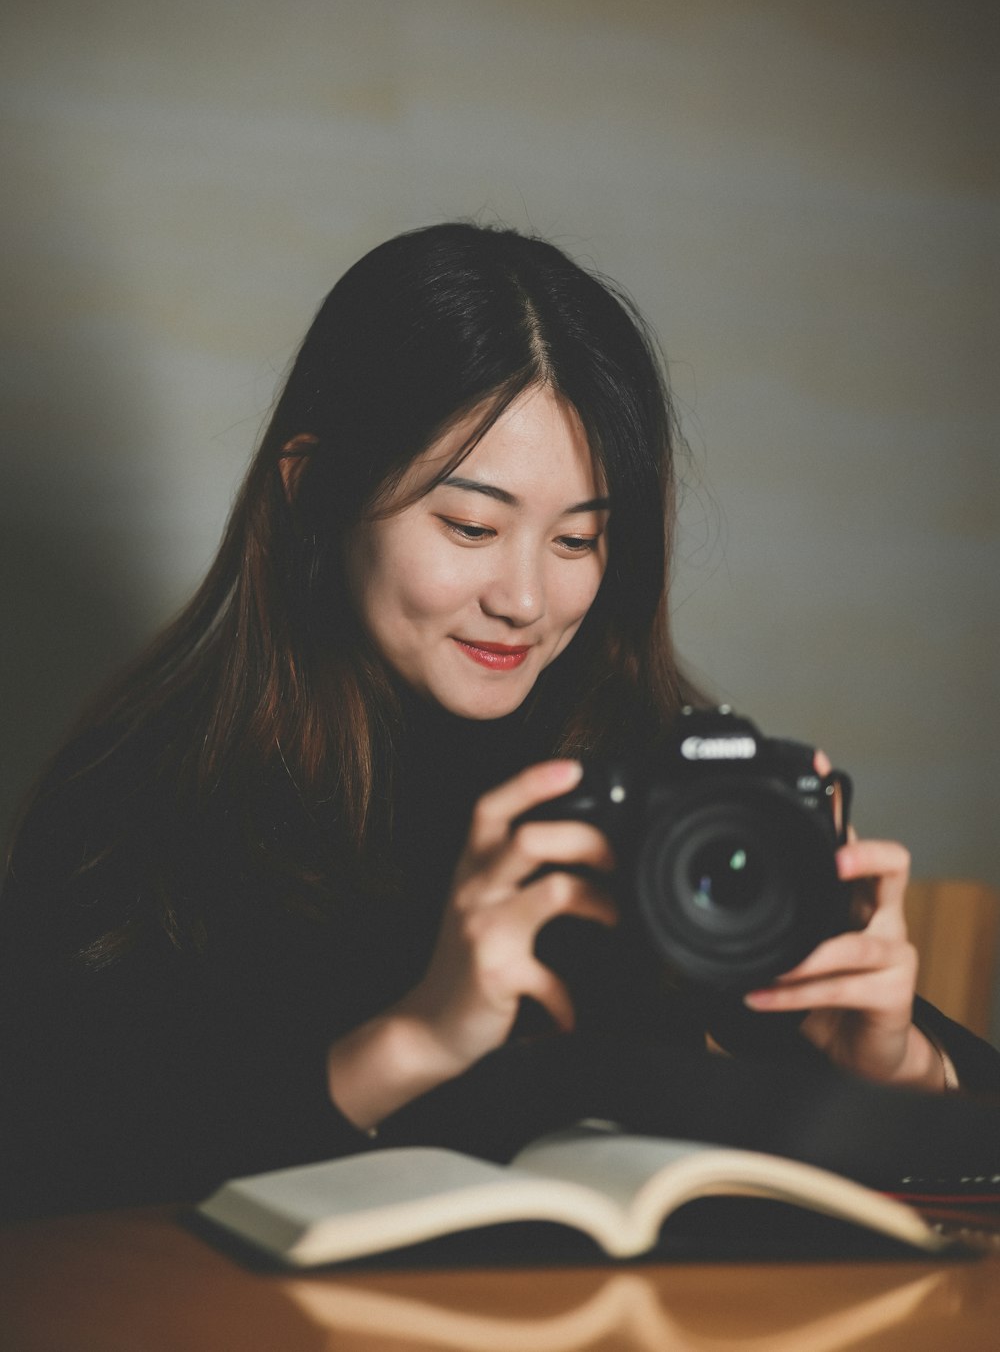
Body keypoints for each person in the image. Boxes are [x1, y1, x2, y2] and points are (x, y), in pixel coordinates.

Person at [1, 222, 997, 1220]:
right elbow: (66, 1191)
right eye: (470, 526)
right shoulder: (142, 792)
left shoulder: (657, 774)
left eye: (577, 538)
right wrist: (415, 1039)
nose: (525, 598)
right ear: (313, 489)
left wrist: (906, 1068)